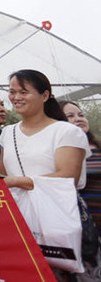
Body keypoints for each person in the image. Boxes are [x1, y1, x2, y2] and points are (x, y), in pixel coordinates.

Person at [0, 69, 94, 279]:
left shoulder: (66, 132)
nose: (16, 97)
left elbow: (68, 177)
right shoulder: (8, 133)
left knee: (63, 272)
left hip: (58, 217)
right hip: (19, 220)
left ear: (44, 95)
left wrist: (18, 181)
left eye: (23, 91)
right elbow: (1, 177)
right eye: (12, 92)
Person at [61, 100, 101, 234]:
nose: (78, 119)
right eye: (70, 116)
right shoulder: (61, 153)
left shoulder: (98, 148)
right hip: (87, 226)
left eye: (81, 115)